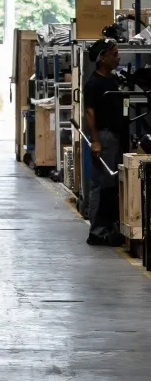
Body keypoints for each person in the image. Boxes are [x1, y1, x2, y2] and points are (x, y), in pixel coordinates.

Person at [82, 41, 128, 247]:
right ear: (102, 58)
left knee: (111, 185)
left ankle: (107, 226)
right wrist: (96, 140)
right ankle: (97, 232)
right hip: (104, 137)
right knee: (101, 185)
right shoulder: (94, 83)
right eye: (114, 54)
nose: (117, 58)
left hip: (115, 136)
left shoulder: (111, 80)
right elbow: (89, 113)